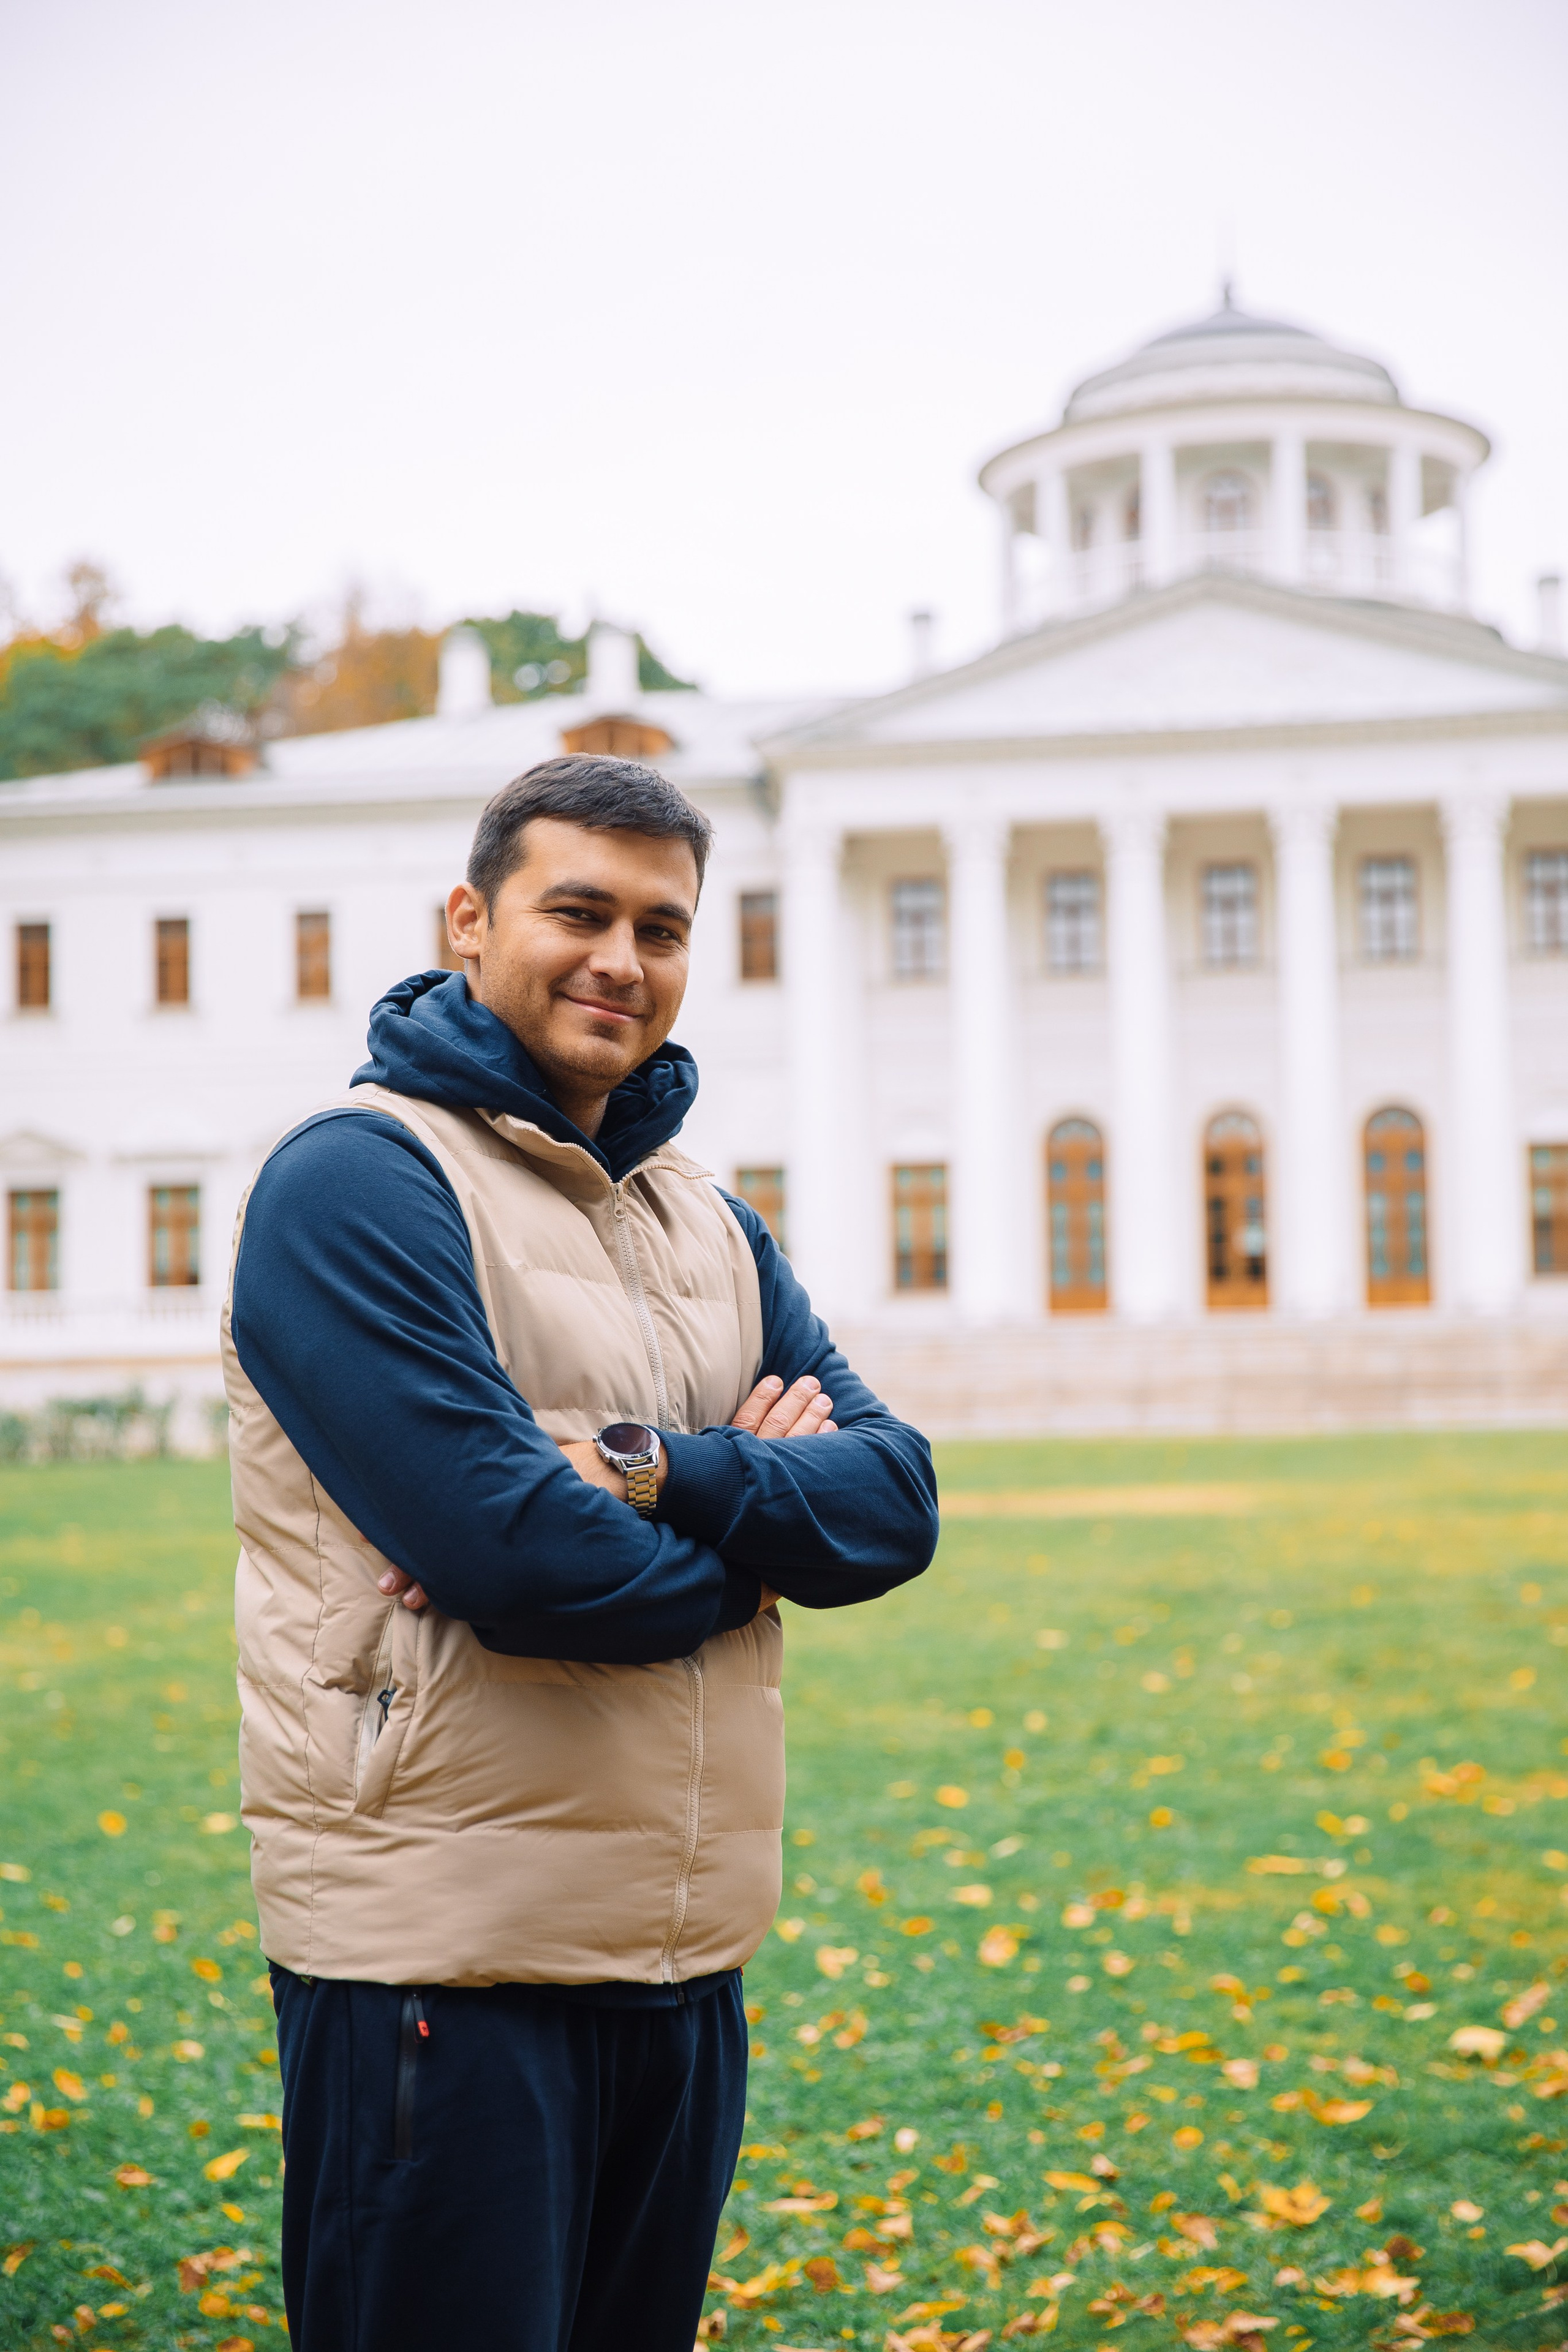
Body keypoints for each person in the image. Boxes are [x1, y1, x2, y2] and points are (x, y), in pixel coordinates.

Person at [224, 753, 938, 2351]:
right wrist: (760, 1534)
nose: (625, 958)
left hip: (681, 1957)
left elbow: (896, 1504)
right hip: (440, 1968)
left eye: (664, 927)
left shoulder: (710, 1221)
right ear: (472, 922)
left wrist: (644, 1466)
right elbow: (522, 1559)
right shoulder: (354, 1181)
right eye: (581, 911)